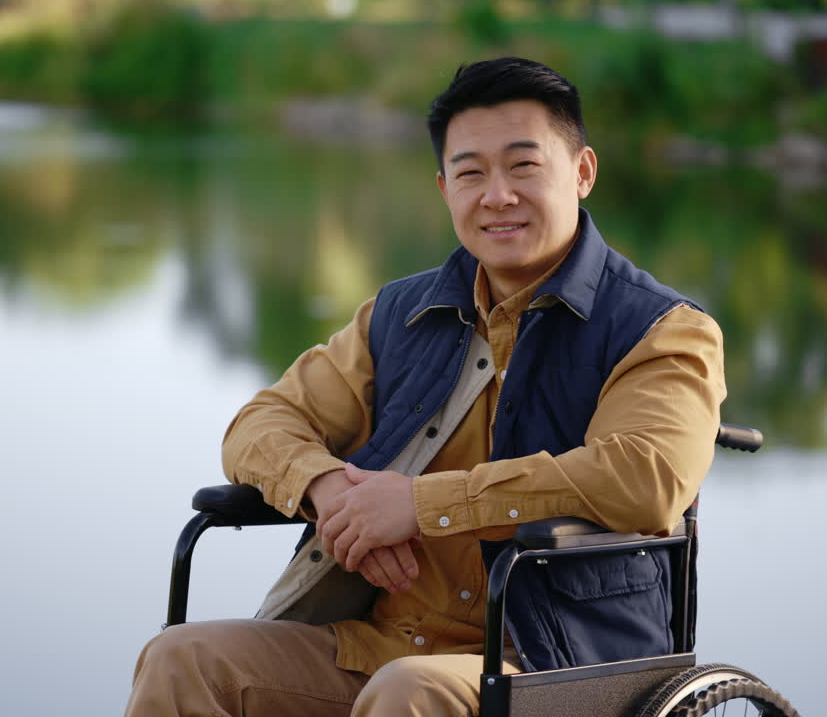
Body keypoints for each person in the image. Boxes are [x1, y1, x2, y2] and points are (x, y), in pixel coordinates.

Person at [124, 57, 726, 717]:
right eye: (471, 173)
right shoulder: (401, 313)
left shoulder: (662, 329)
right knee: (181, 659)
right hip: (377, 646)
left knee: (410, 689)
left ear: (582, 173)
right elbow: (261, 424)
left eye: (523, 166)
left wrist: (422, 504)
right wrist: (333, 497)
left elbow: (646, 476)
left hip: (554, 662)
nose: (496, 195)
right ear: (445, 189)